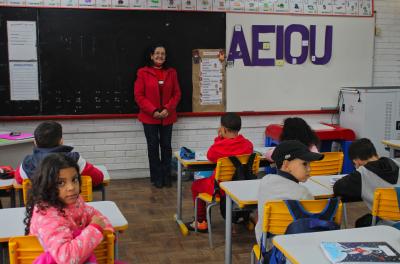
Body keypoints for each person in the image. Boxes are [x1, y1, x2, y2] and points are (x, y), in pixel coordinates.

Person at [24, 153, 114, 263]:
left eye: (74, 180)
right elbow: (66, 257)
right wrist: (95, 229)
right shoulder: (47, 215)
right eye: (61, 183)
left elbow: (90, 212)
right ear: (47, 185)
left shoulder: (73, 200)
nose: (71, 187)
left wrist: (107, 230)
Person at [186, 112, 254, 232]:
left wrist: (219, 138)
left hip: (221, 189)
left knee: (196, 185)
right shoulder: (248, 145)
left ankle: (201, 221)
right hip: (241, 187)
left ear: (224, 129)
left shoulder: (218, 147)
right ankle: (244, 217)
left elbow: (210, 155)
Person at [255, 140, 324, 245]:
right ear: (286, 165)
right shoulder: (304, 194)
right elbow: (309, 228)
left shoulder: (265, 181)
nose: (309, 169)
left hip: (266, 246)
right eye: (304, 164)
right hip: (295, 248)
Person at [134, 43, 181, 188]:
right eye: (157, 53)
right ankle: (156, 178)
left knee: (166, 146)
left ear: (165, 57)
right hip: (149, 117)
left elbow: (177, 93)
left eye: (163, 54)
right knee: (153, 147)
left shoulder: (172, 72)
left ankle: (167, 176)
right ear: (151, 55)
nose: (160, 56)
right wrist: (153, 111)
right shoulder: (143, 72)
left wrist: (168, 108)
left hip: (168, 116)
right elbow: (139, 95)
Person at [333, 138, 400, 227]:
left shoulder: (362, 174)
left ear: (356, 160)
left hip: (387, 225)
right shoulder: (397, 163)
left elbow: (337, 188)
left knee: (362, 222)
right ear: (375, 153)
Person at [15, 121, 104, 187]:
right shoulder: (74, 159)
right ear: (61, 141)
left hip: (41, 208)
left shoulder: (27, 162)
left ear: (35, 142)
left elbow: (19, 179)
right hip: (70, 207)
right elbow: (98, 178)